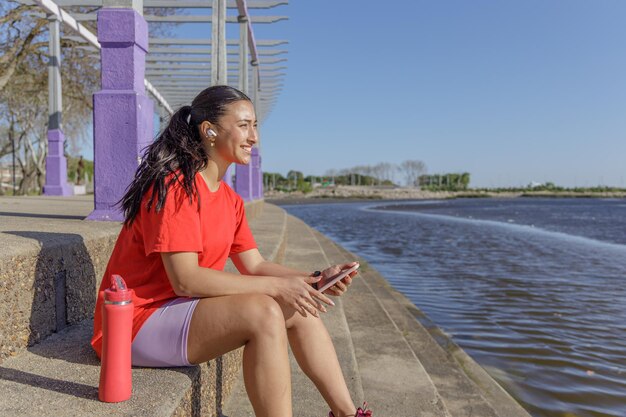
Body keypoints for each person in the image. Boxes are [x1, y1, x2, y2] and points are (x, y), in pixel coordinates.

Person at [91, 85, 372, 417]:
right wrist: (280, 287)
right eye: (244, 125)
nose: (254, 136)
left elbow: (254, 265)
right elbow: (186, 280)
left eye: (255, 126)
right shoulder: (174, 188)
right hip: (135, 325)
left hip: (181, 311)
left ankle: (347, 413)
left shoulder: (230, 200)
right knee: (264, 311)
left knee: (301, 306)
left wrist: (314, 279)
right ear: (209, 130)